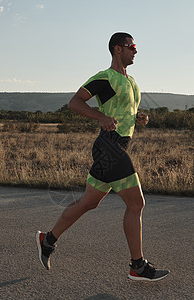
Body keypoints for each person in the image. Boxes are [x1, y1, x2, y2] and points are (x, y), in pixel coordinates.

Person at [36, 32, 169, 281]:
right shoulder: (105, 78)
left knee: (89, 202)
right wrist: (100, 117)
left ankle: (48, 239)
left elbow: (125, 110)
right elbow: (74, 103)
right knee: (136, 203)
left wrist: (138, 117)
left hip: (114, 148)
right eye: (132, 46)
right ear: (117, 49)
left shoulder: (132, 83)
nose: (135, 51)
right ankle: (137, 266)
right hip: (109, 146)